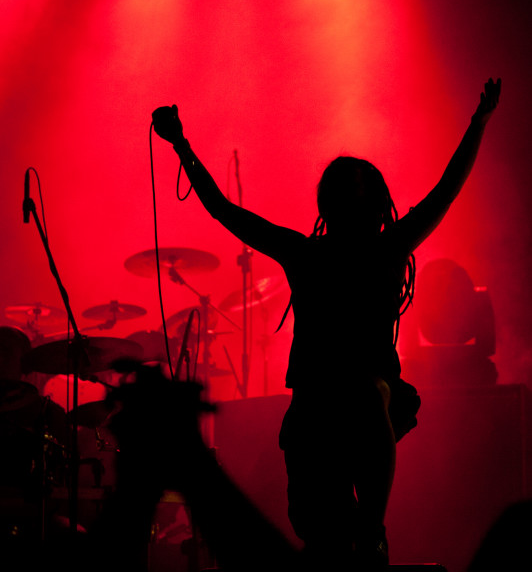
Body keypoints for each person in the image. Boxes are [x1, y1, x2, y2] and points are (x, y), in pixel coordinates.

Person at [152, 78, 501, 570]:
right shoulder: (310, 253)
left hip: (366, 393)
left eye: (354, 190)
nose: (349, 199)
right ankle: (353, 537)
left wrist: (477, 124)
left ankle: (372, 528)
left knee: (364, 392)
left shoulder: (384, 248)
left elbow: (447, 189)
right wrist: (181, 147)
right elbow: (225, 212)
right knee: (319, 532)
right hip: (314, 404)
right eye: (343, 190)